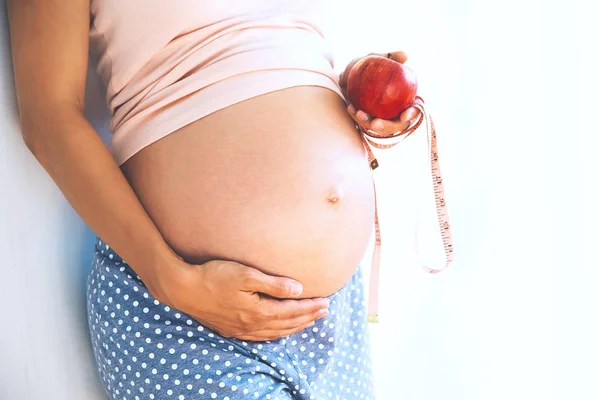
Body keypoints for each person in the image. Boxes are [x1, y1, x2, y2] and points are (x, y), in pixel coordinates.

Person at [7, 1, 419, 398]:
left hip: (329, 314)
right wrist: (171, 280)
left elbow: (263, 52)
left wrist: (354, 89)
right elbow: (48, 117)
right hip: (183, 308)